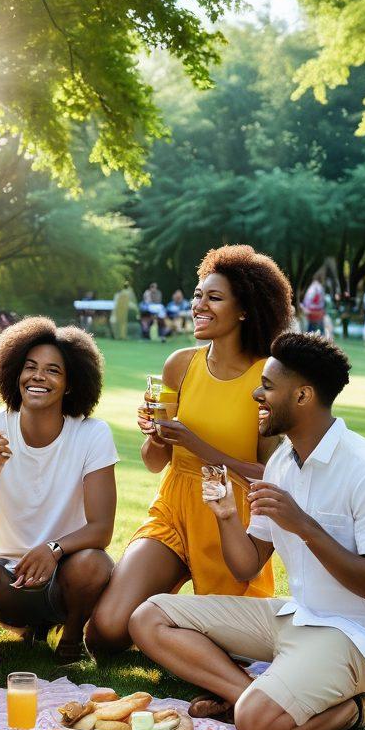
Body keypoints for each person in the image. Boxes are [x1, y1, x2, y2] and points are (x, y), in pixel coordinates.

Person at [129, 333, 365, 730]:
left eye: (267, 386)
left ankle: (357, 710)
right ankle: (248, 694)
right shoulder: (282, 463)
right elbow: (246, 566)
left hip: (357, 637)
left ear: (302, 396)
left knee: (257, 727)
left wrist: (304, 526)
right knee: (148, 617)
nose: (255, 394)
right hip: (297, 616)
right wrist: (228, 516)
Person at [87, 245, 294, 674]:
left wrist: (200, 446)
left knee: (239, 653)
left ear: (244, 310)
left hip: (232, 520)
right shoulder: (180, 364)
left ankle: (172, 629)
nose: (199, 305)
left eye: (214, 298)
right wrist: (156, 435)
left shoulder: (268, 378)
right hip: (175, 508)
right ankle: (167, 624)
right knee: (104, 633)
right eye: (198, 295)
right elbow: (153, 462)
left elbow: (273, 474)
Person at [0, 317, 118, 665]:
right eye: (30, 367)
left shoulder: (92, 434)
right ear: (15, 373)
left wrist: (53, 549)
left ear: (70, 385)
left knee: (94, 563)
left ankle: (71, 636)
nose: (38, 376)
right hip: (4, 581)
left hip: (64, 580)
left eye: (53, 370)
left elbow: (101, 529)